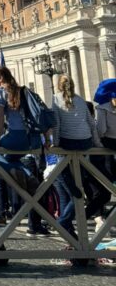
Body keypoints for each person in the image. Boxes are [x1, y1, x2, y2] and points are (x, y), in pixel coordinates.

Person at [0, 65, 50, 236]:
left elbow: (0, 119)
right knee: (13, 159)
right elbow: (40, 113)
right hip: (31, 140)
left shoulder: (0, 92)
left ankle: (19, 172)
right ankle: (27, 175)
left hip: (15, 136)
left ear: (0, 78)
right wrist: (47, 139)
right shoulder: (24, 90)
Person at [52, 74, 106, 239]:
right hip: (85, 143)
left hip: (68, 143)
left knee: (62, 174)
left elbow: (56, 124)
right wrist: (97, 144)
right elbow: (91, 123)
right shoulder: (81, 101)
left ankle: (64, 219)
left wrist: (56, 143)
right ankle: (76, 190)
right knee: (79, 179)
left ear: (59, 86)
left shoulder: (56, 99)